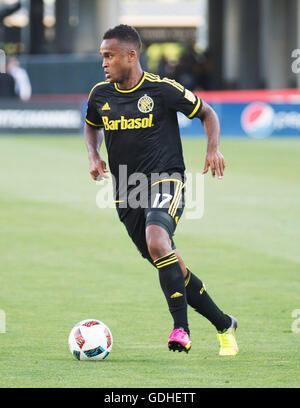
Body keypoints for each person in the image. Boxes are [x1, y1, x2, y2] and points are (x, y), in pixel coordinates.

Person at [84, 24, 238, 356]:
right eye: (102, 57)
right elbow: (91, 125)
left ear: (131, 55)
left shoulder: (162, 90)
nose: (104, 63)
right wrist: (94, 155)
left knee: (157, 241)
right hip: (126, 191)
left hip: (166, 179)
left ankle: (180, 329)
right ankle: (225, 324)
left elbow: (207, 113)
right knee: (167, 260)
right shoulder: (100, 95)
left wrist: (213, 149)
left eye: (109, 56)